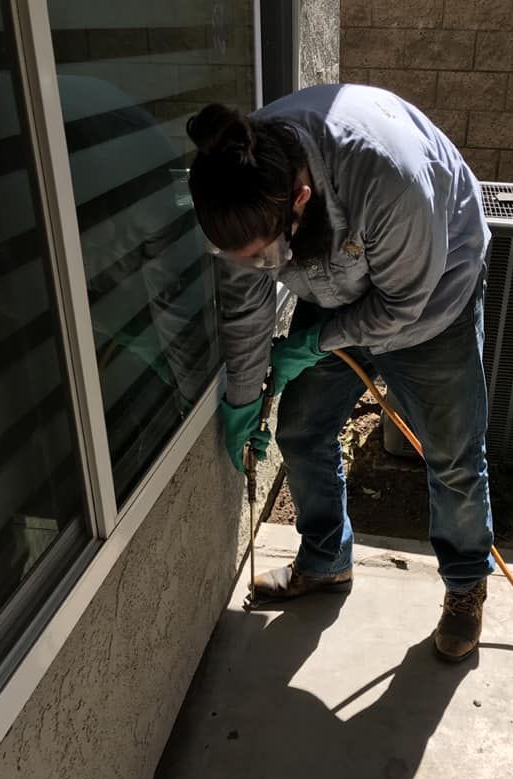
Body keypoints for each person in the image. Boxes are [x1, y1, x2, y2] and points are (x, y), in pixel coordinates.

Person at [186, 84, 494, 663]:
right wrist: (244, 398)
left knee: (452, 456)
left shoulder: (388, 177)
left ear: (299, 200)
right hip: (337, 285)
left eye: (260, 255)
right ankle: (326, 560)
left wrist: (312, 343)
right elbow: (247, 308)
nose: (251, 266)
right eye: (238, 256)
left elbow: (402, 306)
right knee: (301, 429)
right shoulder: (241, 189)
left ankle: (464, 586)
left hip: (433, 299)